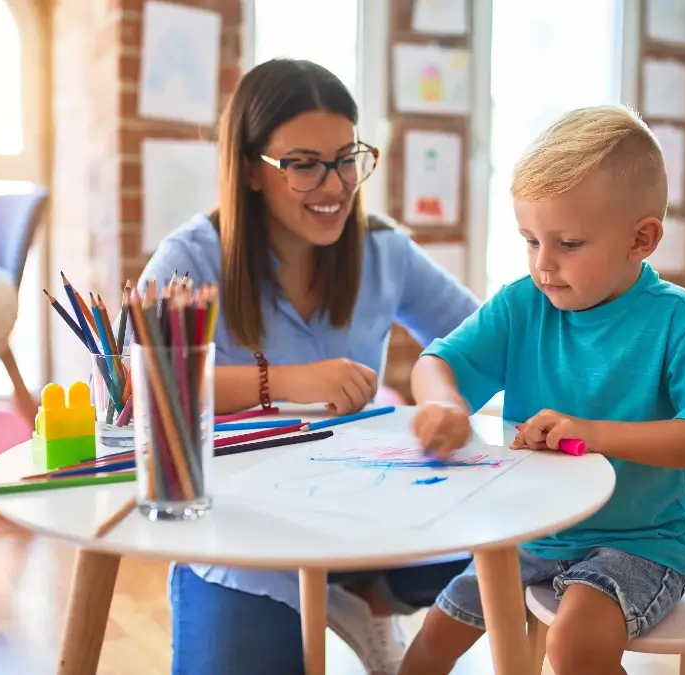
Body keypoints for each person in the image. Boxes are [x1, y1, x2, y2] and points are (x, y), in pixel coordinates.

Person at [135, 58, 480, 675]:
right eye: (302, 165)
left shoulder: (383, 250)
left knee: (518, 551)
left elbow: (481, 340)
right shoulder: (191, 256)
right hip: (241, 539)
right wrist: (284, 382)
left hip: (368, 509)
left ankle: (366, 596)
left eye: (347, 158)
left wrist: (445, 397)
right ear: (249, 170)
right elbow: (138, 393)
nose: (335, 185)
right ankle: (339, 595)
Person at [398, 105, 685, 675]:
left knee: (574, 645)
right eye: (530, 241)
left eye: (569, 244)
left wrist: (596, 433)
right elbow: (440, 362)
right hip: (529, 534)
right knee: (432, 640)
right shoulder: (522, 304)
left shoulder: (677, 320)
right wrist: (442, 401)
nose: (543, 265)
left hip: (640, 545)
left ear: (642, 239)